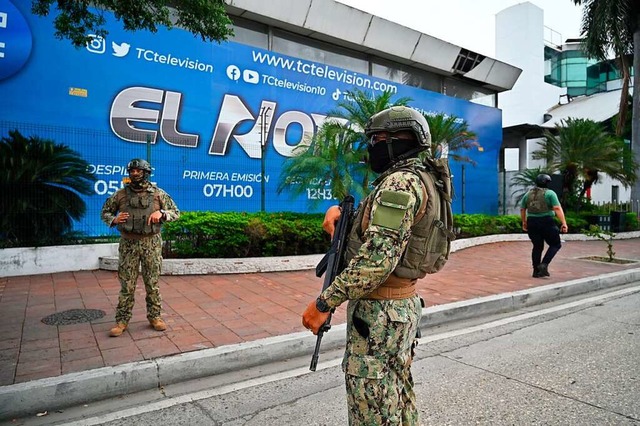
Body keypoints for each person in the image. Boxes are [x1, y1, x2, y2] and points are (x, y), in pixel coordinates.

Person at [302, 106, 435, 425]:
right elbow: (386, 239)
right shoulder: (418, 179)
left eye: (375, 140)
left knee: (372, 410)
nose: (371, 147)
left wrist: (324, 302)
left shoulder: (399, 185)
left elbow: (377, 260)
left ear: (397, 140)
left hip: (380, 316)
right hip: (398, 308)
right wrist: (341, 223)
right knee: (397, 397)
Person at [101, 158, 180, 337]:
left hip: (151, 243)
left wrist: (162, 213)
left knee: (152, 283)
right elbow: (105, 211)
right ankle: (121, 320)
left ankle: (155, 317)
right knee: (127, 285)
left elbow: (176, 212)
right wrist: (113, 219)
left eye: (138, 171)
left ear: (146, 173)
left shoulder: (159, 194)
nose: (134, 174)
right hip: (128, 244)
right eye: (132, 171)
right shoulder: (120, 195)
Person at [520, 173, 568, 278]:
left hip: (532, 222)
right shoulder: (550, 193)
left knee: (537, 246)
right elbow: (557, 208)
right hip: (546, 221)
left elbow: (523, 209)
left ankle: (535, 271)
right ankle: (544, 264)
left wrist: (524, 222)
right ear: (547, 183)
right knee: (556, 244)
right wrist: (564, 223)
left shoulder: (528, 194)